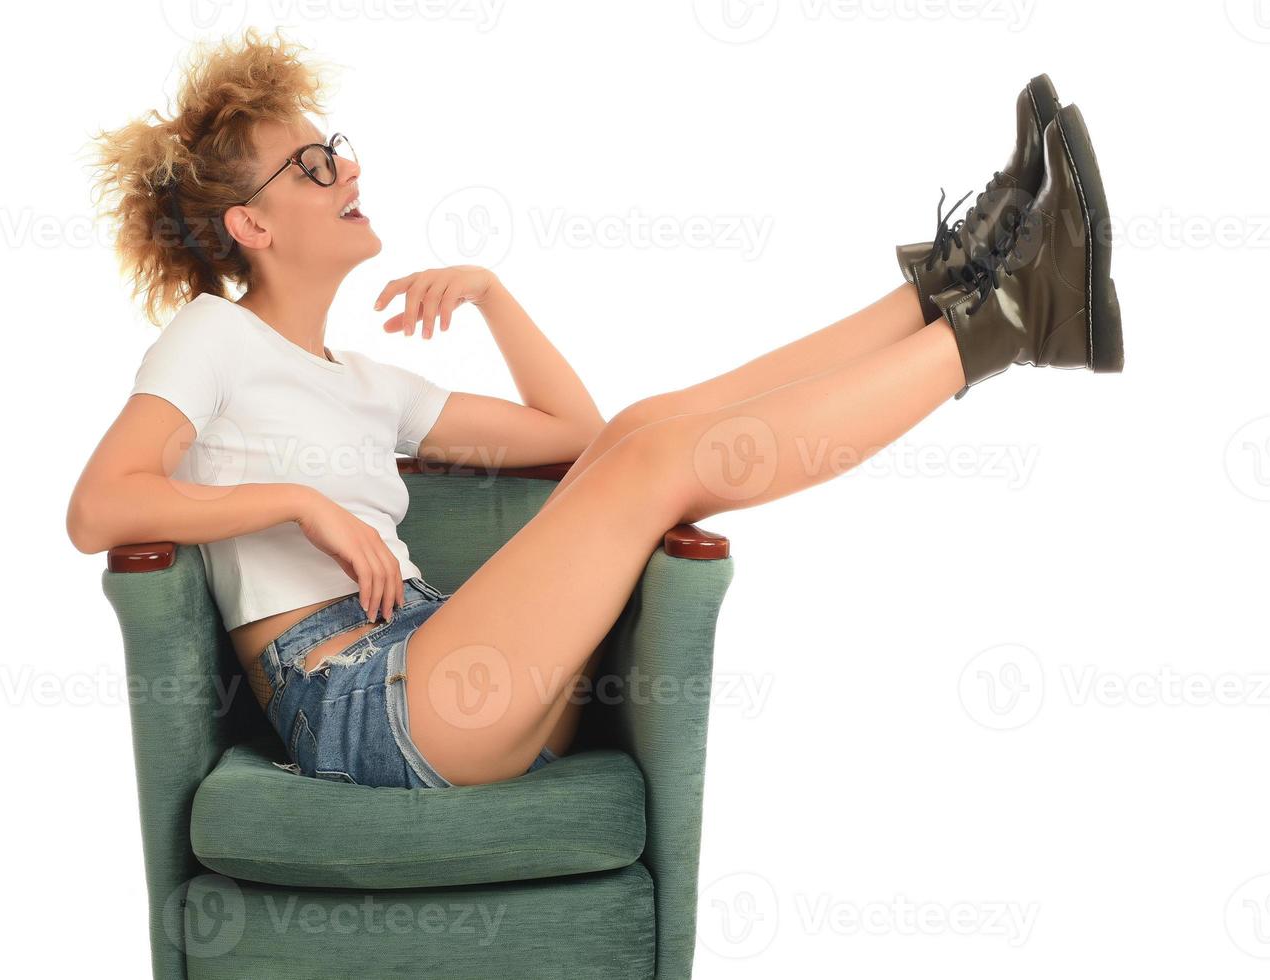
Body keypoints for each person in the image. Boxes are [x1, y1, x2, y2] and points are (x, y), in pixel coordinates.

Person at [67, 30, 1122, 789]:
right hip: (362, 701)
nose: (348, 167)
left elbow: (576, 434)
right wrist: (299, 501)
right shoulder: (211, 337)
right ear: (250, 223)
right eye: (312, 165)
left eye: (334, 144)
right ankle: (1020, 320)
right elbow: (99, 508)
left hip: (435, 658)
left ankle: (954, 281)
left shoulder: (360, 379)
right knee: (647, 462)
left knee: (637, 433)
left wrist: (489, 292)